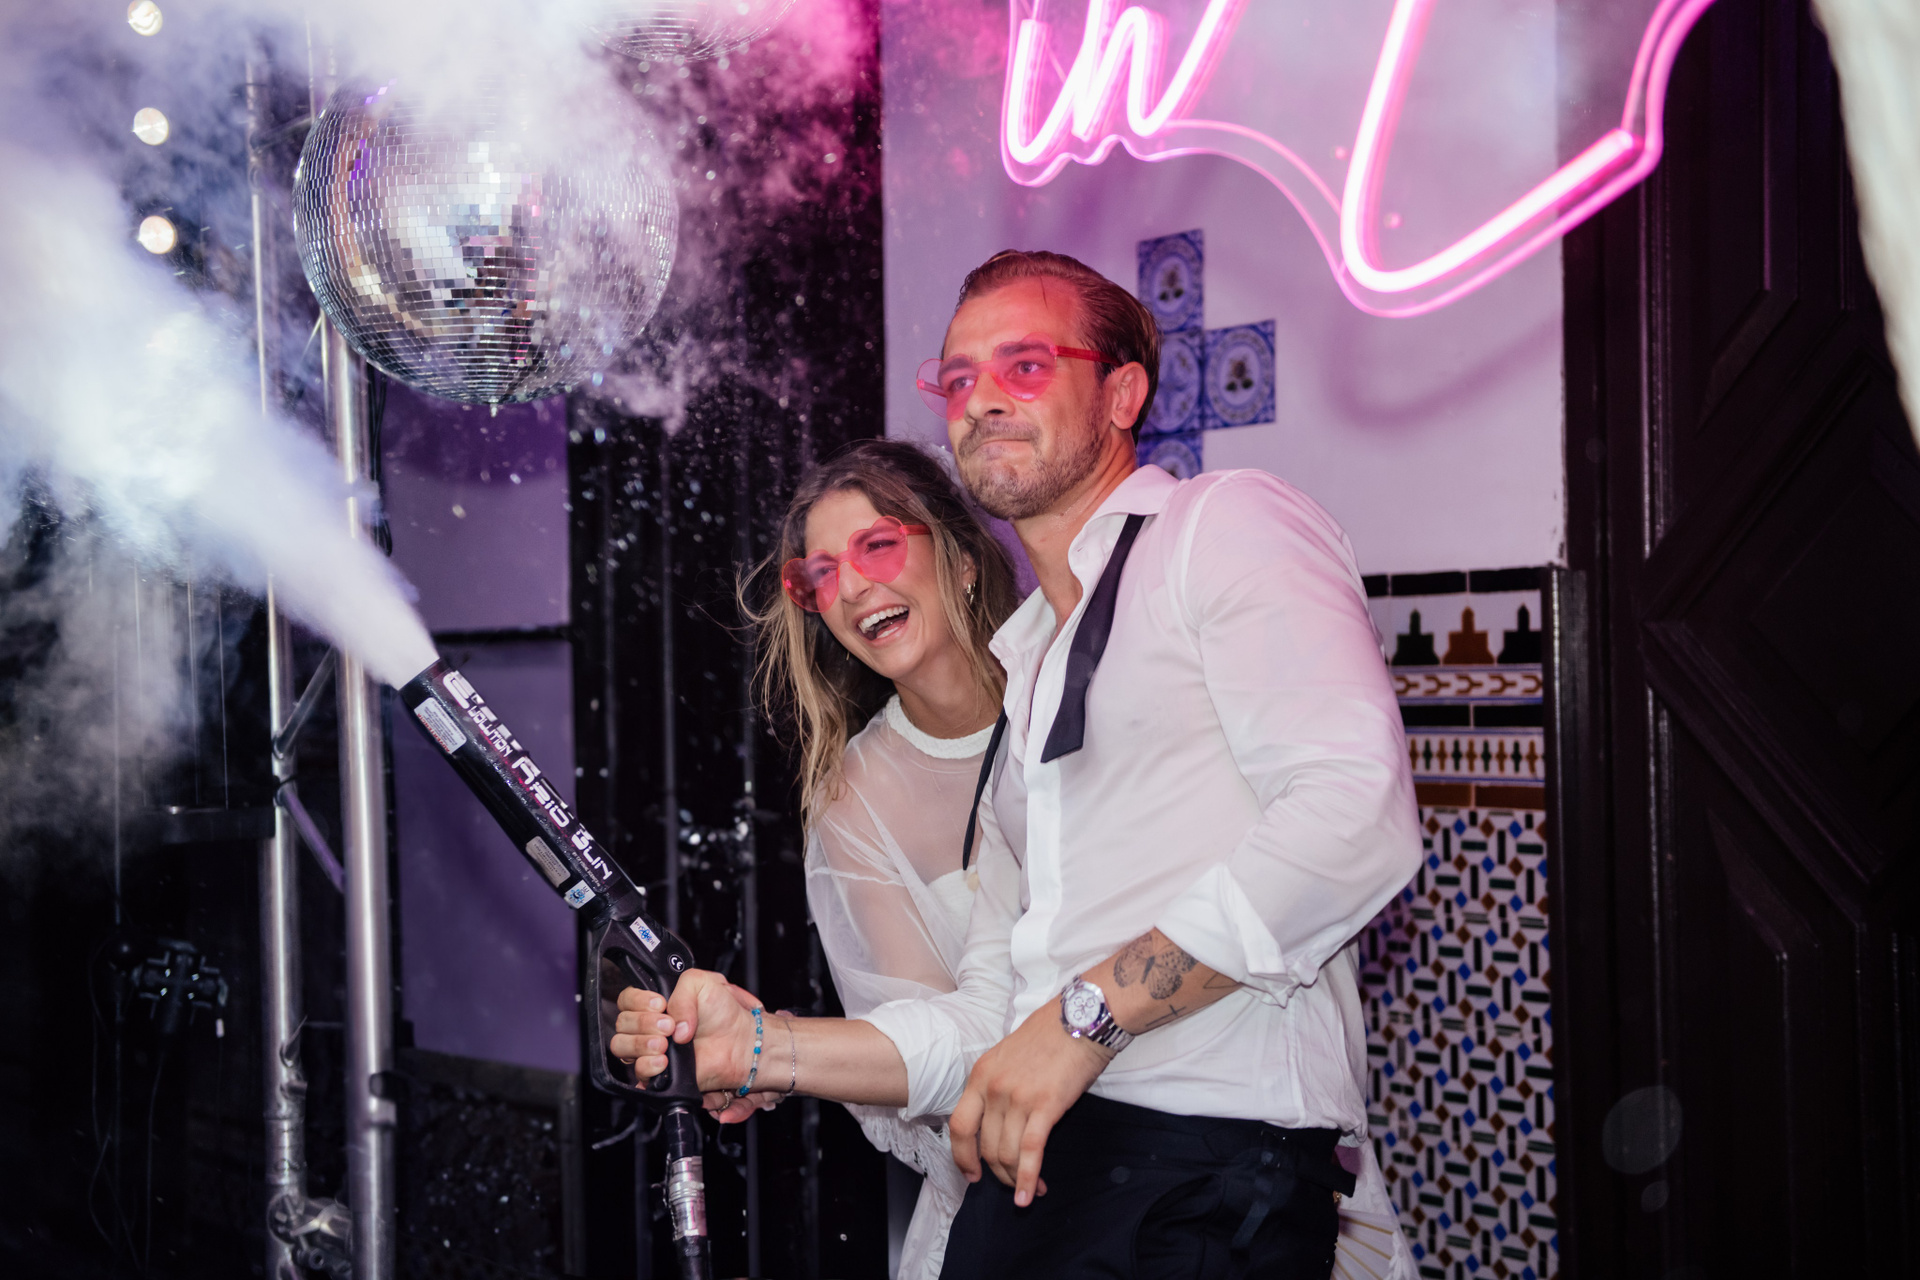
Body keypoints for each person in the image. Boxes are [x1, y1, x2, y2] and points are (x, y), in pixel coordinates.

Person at [617, 250, 1421, 1278]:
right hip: (1045, 1177)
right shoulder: (1033, 670)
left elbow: (1355, 817)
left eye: (1026, 366)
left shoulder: (1219, 526)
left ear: (1122, 393)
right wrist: (765, 1046)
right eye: (959, 378)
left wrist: (1088, 1016)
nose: (983, 398)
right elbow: (990, 1018)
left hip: (1207, 1171)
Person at [733, 437, 1022, 1279]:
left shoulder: (1075, 701)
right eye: (821, 574)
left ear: (961, 561)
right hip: (1002, 1207)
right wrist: (765, 1048)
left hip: (1196, 1172)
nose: (853, 587)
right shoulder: (853, 796)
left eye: (879, 545)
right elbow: (932, 1045)